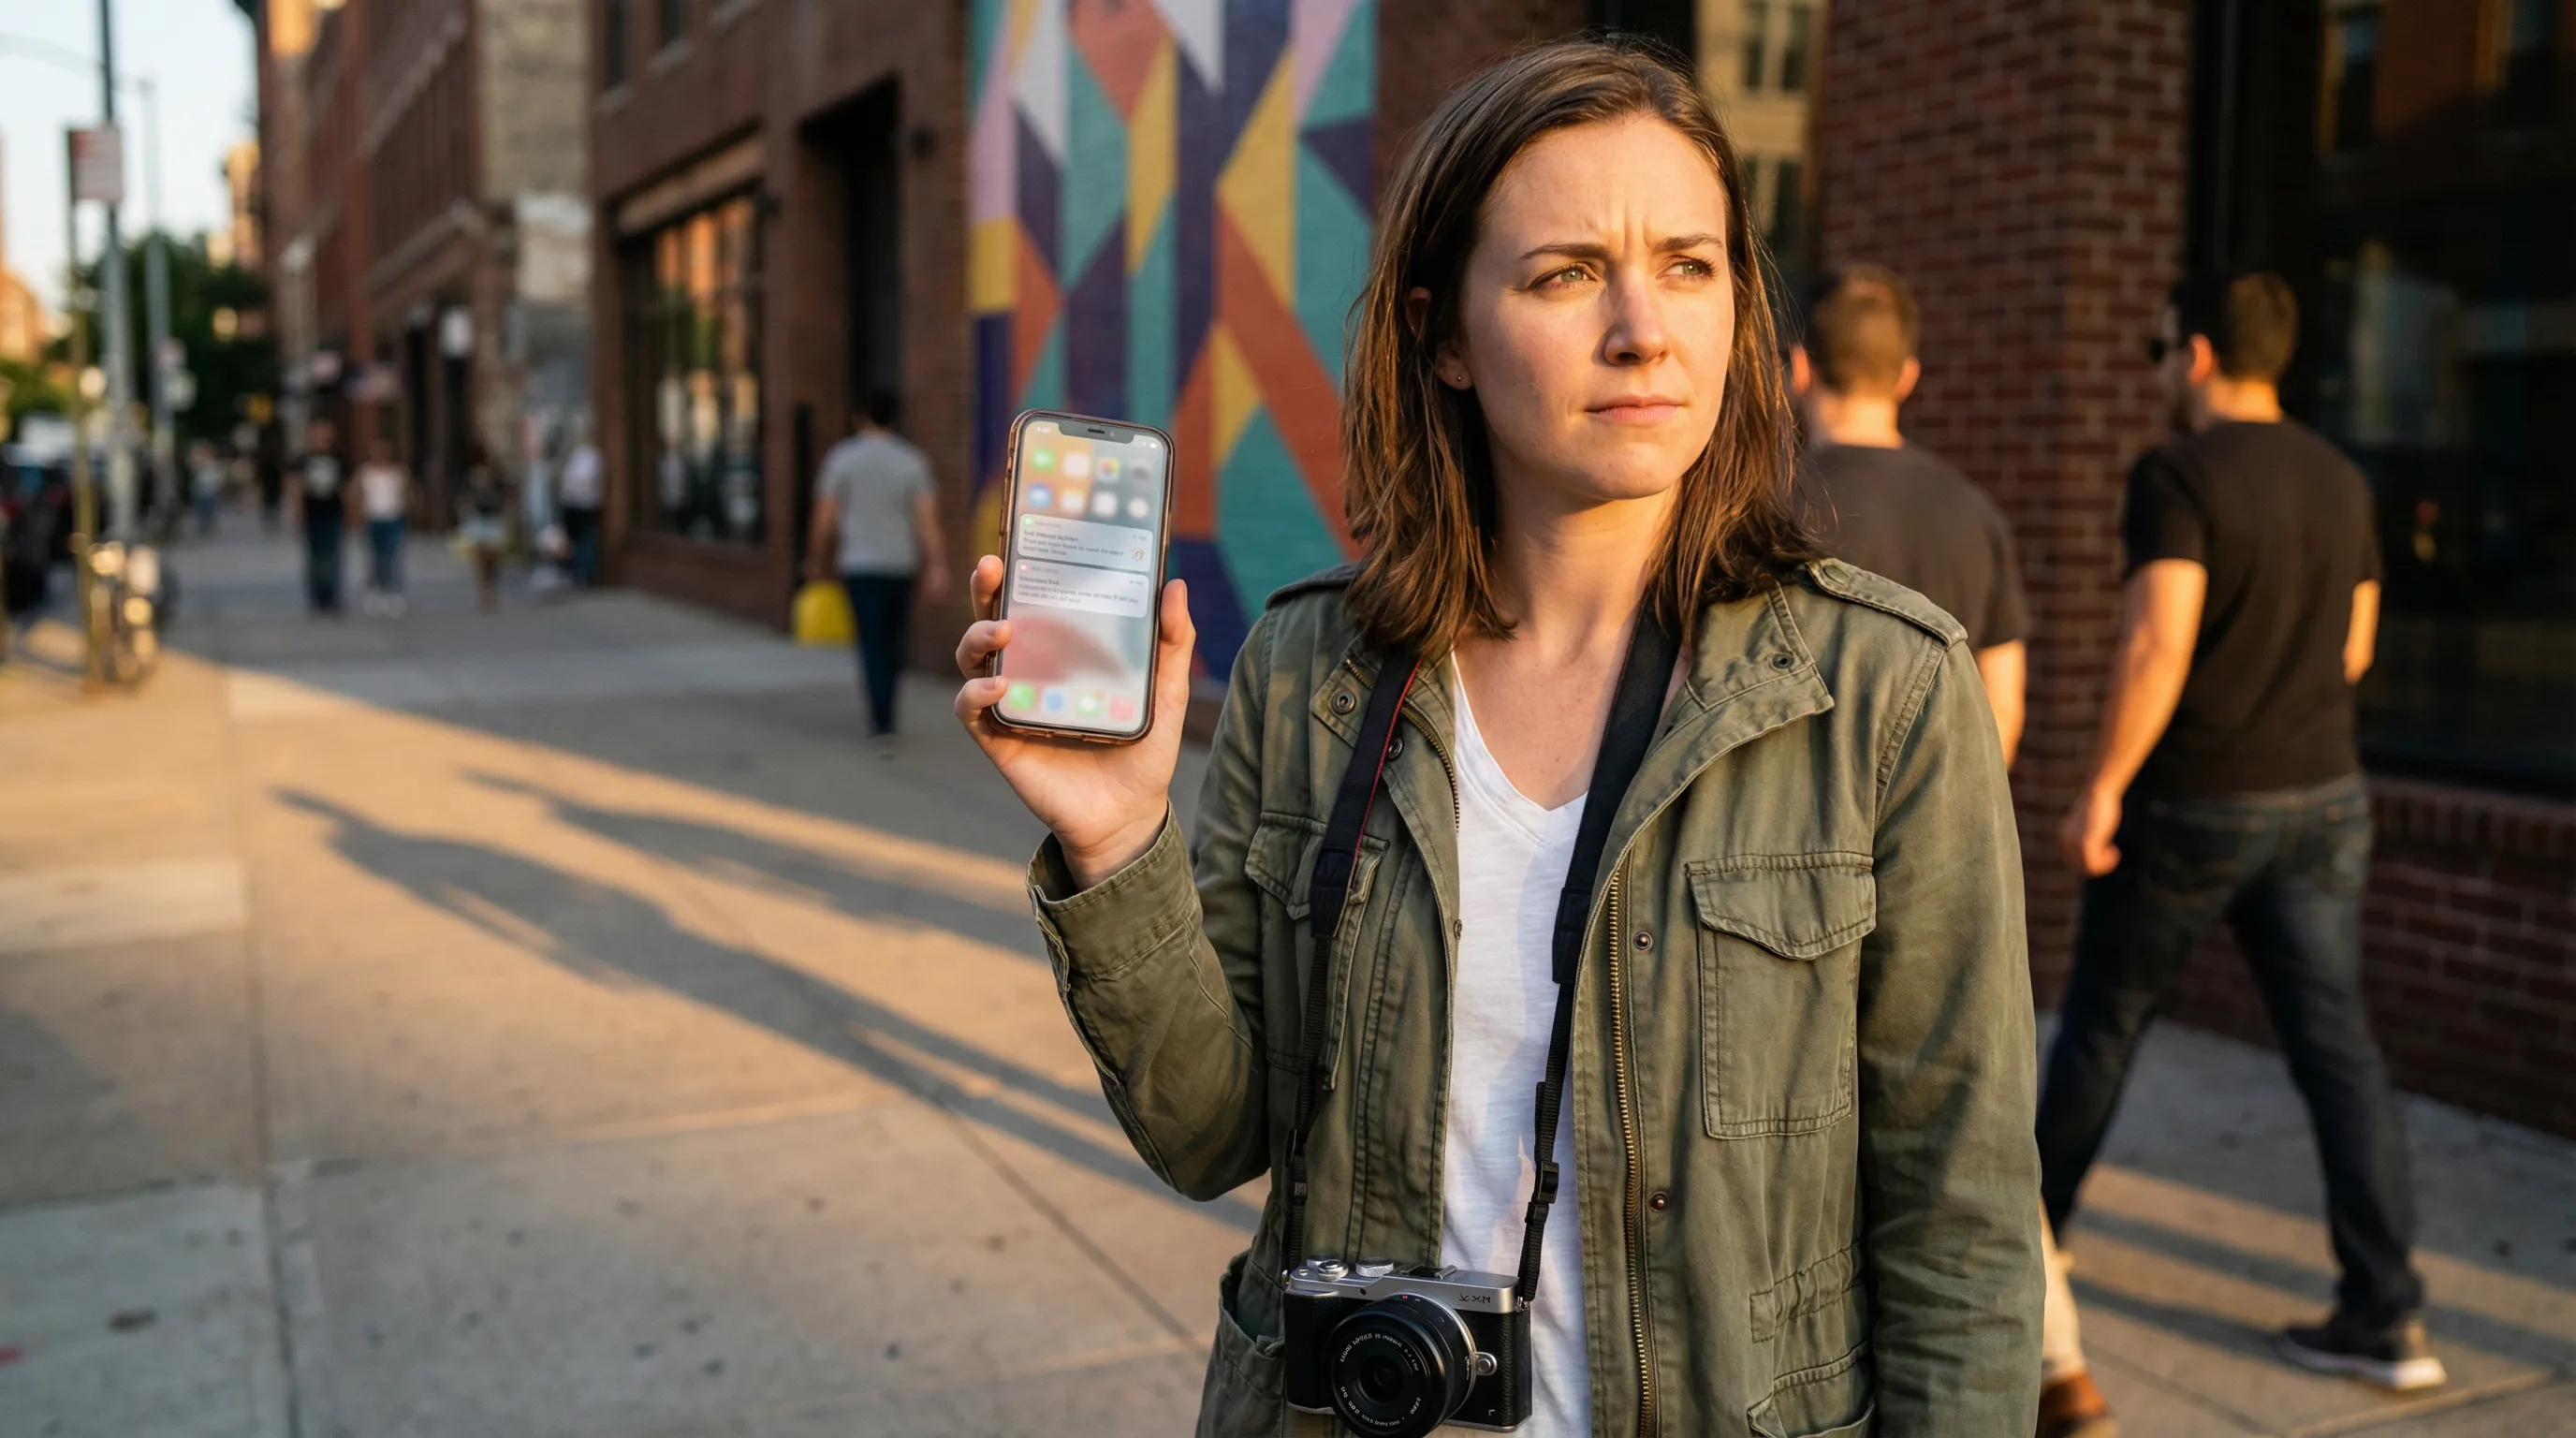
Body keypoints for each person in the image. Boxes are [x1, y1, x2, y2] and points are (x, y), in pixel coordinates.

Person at [954, 40, 2041, 1435]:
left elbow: (1963, 1234)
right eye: (1566, 273)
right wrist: (1116, 839)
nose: (1645, 328)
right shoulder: (1315, 669)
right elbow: (1209, 1130)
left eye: (1691, 266)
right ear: (1445, 336)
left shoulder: (1882, 692)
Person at [2040, 272, 2438, 1393]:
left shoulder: (2177, 473)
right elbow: (2353, 649)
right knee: (2338, 1055)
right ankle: (2386, 1314)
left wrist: (2103, 786)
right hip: (2322, 800)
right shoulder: (2341, 477)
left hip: (2194, 803)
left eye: (2162, 346)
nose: (2158, 368)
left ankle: (2014, 1259)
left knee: (2102, 1028)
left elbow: (2156, 645)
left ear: (2202, 355)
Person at [1790, 265, 2112, 1438]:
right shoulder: (1972, 510)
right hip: (1936, 867)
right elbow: (2002, 709)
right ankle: (2060, 1366)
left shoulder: (1764, 504)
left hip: (1782, 877)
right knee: (1962, 1128)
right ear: (1909, 374)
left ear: (1796, 370)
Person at [806, 389, 951, 750]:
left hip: (860, 565)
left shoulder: (842, 458)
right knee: (894, 640)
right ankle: (888, 712)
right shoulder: (911, 462)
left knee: (870, 642)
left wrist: (814, 555)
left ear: (861, 416)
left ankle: (880, 720)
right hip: (900, 565)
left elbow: (824, 514)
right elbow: (927, 520)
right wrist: (936, 564)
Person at [291, 418, 348, 616]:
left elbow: (345, 488)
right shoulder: (303, 460)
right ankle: (318, 597)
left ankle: (331, 596)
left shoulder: (339, 459)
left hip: (333, 513)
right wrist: (296, 512)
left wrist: (351, 513)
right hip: (311, 514)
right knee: (315, 557)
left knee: (332, 556)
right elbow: (296, 487)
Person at [356, 437, 411, 617]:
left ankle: (393, 591)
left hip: (393, 518)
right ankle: (375, 591)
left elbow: (407, 493)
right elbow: (356, 493)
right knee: (375, 556)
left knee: (393, 555)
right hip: (373, 518)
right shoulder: (365, 472)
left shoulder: (398, 472)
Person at [459, 447, 509, 611]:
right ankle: (484, 589)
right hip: (478, 518)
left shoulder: (496, 475)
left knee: (493, 556)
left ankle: (491, 585)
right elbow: (464, 495)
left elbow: (505, 493)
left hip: (492, 517)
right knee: (480, 556)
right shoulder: (471, 476)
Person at [558, 427, 604, 587]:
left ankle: (585, 573)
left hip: (586, 505)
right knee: (577, 540)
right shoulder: (576, 456)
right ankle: (576, 572)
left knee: (586, 539)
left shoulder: (592, 456)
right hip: (574, 505)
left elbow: (586, 480)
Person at [189, 441, 227, 536]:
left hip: (211, 490)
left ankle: (208, 525)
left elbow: (219, 476)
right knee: (201, 509)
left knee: (210, 509)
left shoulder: (214, 463)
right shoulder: (198, 463)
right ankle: (203, 526)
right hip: (201, 490)